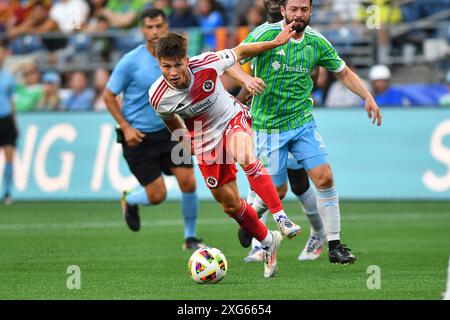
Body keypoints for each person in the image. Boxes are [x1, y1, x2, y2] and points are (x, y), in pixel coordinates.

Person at [236, 0, 382, 265]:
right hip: (267, 126)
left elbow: (343, 72)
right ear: (283, 10)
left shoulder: (317, 41)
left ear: (311, 11)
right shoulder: (263, 34)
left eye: (304, 10)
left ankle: (335, 246)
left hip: (302, 123)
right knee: (277, 191)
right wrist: (246, 80)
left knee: (324, 178)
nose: (299, 15)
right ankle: (250, 219)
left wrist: (367, 96)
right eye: (294, 9)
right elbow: (232, 58)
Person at [148, 26, 301, 278]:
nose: (173, 73)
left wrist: (275, 43)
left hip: (231, 117)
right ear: (159, 64)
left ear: (186, 60)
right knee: (230, 205)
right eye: (166, 67)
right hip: (204, 139)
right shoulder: (158, 96)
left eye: (177, 65)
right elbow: (169, 119)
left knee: (245, 155)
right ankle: (267, 240)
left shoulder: (206, 63)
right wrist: (185, 141)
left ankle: (281, 218)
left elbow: (240, 51)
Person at [103, 8, 204, 250]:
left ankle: (190, 237)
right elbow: (108, 95)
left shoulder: (179, 59)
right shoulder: (130, 61)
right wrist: (125, 127)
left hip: (171, 131)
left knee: (188, 182)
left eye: (159, 26)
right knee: (157, 196)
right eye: (149, 27)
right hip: (139, 137)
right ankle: (130, 199)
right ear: (142, 29)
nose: (155, 32)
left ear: (167, 26)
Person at [235, 0, 326, 263]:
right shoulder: (261, 34)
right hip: (267, 123)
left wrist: (294, 93)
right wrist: (240, 102)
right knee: (267, 179)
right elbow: (244, 71)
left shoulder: (303, 32)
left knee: (298, 182)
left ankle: (318, 234)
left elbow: (313, 73)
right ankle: (258, 241)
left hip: (295, 121)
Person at [0, 43, 17, 204]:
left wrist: (15, 122)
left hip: (6, 119)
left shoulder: (8, 77)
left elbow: (12, 101)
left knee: (9, 155)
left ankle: (7, 191)